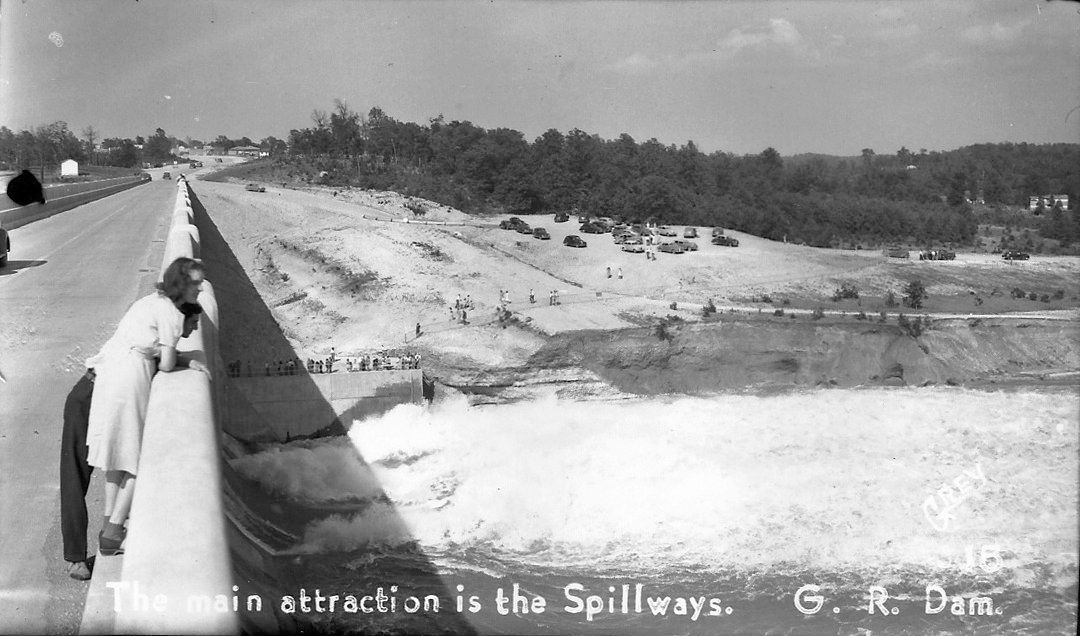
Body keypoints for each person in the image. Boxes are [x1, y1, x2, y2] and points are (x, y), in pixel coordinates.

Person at [60, 305, 202, 579]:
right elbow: (166, 359)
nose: (194, 329)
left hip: (101, 393)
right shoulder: (156, 328)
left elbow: (165, 356)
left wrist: (187, 360)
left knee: (114, 463)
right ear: (177, 319)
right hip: (88, 395)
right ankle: (75, 558)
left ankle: (108, 533)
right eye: (193, 322)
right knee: (76, 476)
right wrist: (186, 360)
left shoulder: (153, 332)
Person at [84, 258, 208, 556]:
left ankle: (108, 525)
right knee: (139, 457)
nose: (200, 288)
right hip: (131, 376)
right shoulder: (171, 314)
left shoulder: (151, 301)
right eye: (196, 284)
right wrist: (185, 359)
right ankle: (113, 535)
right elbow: (165, 364)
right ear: (182, 285)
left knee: (116, 453)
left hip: (110, 371)